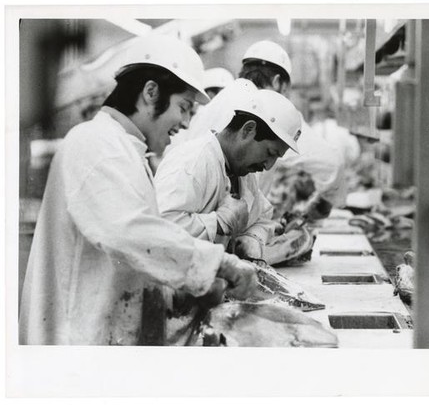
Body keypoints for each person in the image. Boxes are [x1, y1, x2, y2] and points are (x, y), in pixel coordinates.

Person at [19, 35, 257, 346]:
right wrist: (217, 264)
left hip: (100, 338)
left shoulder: (124, 149)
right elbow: (127, 231)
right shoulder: (95, 143)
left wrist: (179, 294)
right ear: (150, 92)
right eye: (184, 107)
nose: (186, 123)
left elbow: (133, 254)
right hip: (76, 344)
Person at [154, 88, 302, 261]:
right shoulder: (192, 162)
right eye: (270, 153)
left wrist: (252, 238)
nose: (269, 166)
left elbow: (262, 216)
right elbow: (159, 229)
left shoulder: (242, 173)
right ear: (248, 130)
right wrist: (216, 223)